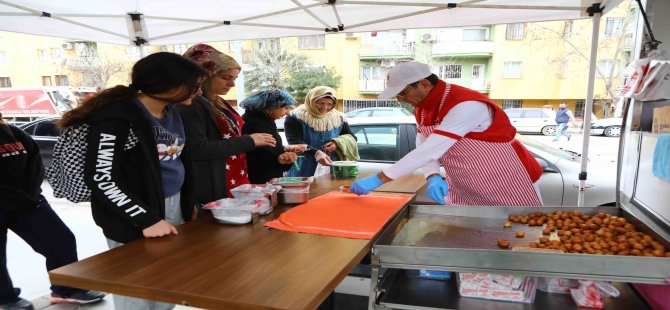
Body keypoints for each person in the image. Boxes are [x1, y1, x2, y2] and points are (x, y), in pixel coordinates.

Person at [57, 52, 206, 310]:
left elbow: (178, 162)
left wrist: (186, 202)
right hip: (133, 215)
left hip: (170, 206)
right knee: (136, 292)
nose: (199, 92)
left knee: (166, 286)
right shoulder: (117, 118)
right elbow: (102, 178)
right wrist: (146, 219)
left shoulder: (172, 112)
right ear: (164, 84)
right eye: (194, 85)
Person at [350, 61, 543, 206]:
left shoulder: (466, 104)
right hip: (465, 183)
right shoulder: (423, 108)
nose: (401, 100)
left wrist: (380, 179)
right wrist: (433, 175)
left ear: (424, 84)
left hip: (505, 179)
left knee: (517, 233)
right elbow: (424, 144)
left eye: (403, 93)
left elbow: (430, 150)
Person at [0, 113, 105, 310]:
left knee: (61, 240)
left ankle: (66, 289)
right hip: (11, 202)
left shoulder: (13, 132)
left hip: (29, 202)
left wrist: (29, 195)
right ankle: (5, 299)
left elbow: (36, 165)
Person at [178, 44, 276, 203]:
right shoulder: (192, 104)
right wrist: (249, 141)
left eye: (234, 78)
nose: (232, 84)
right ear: (206, 76)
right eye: (225, 77)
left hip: (236, 178)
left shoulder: (218, 100)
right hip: (215, 183)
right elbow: (197, 148)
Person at [284, 86, 357, 177]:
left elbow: (352, 137)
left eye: (329, 104)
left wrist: (337, 144)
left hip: (331, 166)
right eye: (320, 103)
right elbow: (294, 141)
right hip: (304, 167)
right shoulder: (296, 117)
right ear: (311, 101)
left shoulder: (339, 118)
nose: (325, 107)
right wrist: (316, 152)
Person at [240, 89, 299, 183]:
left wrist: (283, 150)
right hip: (262, 181)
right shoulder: (256, 125)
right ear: (272, 107)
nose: (288, 112)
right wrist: (280, 158)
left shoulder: (264, 122)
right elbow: (262, 155)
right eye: (285, 108)